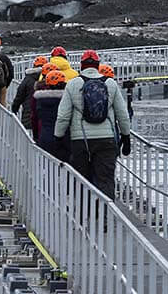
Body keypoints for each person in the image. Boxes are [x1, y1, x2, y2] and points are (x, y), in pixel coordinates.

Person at [54, 50, 131, 201]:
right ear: (97, 65)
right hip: (106, 139)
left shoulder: (73, 84)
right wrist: (126, 137)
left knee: (82, 179)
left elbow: (63, 116)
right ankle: (105, 216)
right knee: (106, 179)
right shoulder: (111, 84)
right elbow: (123, 114)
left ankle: (85, 214)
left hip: (80, 140)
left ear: (82, 65)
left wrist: (58, 137)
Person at [32, 69, 70, 162]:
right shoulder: (67, 100)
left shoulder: (40, 100)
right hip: (65, 137)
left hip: (45, 135)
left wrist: (36, 137)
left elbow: (34, 119)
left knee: (46, 165)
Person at [12, 56, 48, 127]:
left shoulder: (28, 79)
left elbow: (20, 95)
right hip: (44, 116)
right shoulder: (48, 80)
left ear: (34, 65)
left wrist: (15, 108)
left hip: (28, 114)